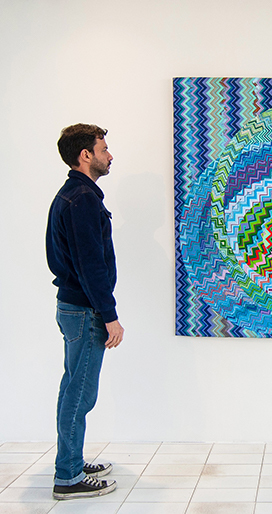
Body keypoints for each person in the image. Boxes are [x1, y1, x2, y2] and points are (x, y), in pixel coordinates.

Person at [46, 124, 124, 500]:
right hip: (84, 310)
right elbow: (89, 265)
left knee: (72, 390)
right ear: (85, 155)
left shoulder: (72, 195)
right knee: (79, 395)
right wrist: (109, 315)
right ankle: (68, 477)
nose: (110, 156)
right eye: (103, 149)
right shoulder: (82, 199)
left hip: (74, 307)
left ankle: (72, 462)